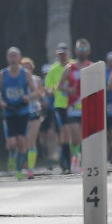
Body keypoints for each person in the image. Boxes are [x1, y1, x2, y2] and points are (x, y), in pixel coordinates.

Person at [0, 47, 34, 179]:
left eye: (15, 56)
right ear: (7, 59)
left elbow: (36, 91)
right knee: (11, 143)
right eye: (10, 56)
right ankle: (12, 155)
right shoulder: (2, 74)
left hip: (22, 109)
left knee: (22, 142)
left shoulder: (25, 73)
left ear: (19, 59)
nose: (13, 58)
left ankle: (19, 170)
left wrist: (29, 97)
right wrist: (0, 100)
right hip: (9, 110)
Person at [59, 39, 92, 174]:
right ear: (75, 50)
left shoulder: (92, 67)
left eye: (85, 49)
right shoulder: (69, 68)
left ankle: (85, 161)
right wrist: (68, 90)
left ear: (89, 51)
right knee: (76, 136)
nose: (82, 52)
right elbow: (59, 85)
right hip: (73, 106)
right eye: (80, 49)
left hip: (87, 106)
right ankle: (75, 157)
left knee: (86, 136)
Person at [44, 43, 72, 173]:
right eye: (60, 54)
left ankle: (73, 156)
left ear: (68, 54)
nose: (62, 56)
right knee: (64, 133)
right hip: (60, 105)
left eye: (64, 54)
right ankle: (66, 161)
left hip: (75, 104)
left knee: (75, 135)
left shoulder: (74, 66)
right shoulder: (53, 69)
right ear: (57, 55)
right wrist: (49, 90)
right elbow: (47, 86)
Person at [21, 57, 44, 174]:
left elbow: (41, 93)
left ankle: (31, 168)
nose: (26, 69)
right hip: (22, 112)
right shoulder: (18, 80)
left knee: (31, 140)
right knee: (23, 140)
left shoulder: (36, 80)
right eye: (23, 67)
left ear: (32, 69)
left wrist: (31, 96)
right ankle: (24, 162)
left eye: (28, 67)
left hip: (35, 110)